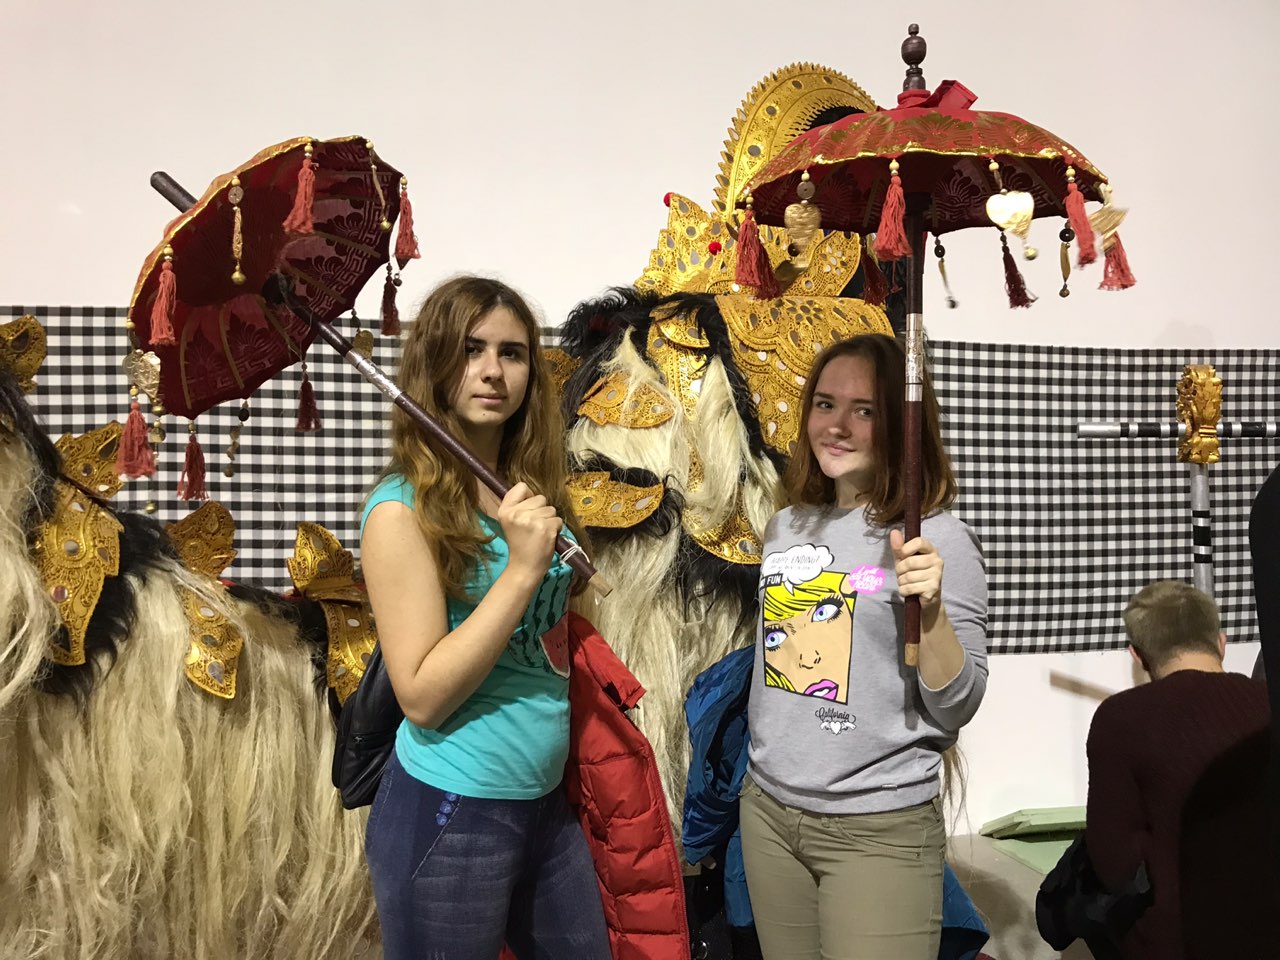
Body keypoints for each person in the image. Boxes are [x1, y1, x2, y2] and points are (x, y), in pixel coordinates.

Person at [359, 275, 610, 959]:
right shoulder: (399, 511)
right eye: (472, 349)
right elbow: (421, 695)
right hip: (451, 805)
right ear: (436, 362)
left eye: (512, 352)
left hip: (544, 801)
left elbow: (541, 643)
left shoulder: (528, 494)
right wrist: (523, 571)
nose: (493, 371)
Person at [741, 334, 989, 960]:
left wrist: (932, 611)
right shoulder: (786, 526)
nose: (837, 426)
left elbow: (958, 705)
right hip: (769, 813)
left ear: (903, 425)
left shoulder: (936, 538)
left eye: (865, 410)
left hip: (877, 828)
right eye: (825, 404)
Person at [1081, 580, 1274, 958]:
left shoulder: (1120, 718)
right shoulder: (1267, 703)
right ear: (1221, 642)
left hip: (1176, 939)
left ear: (1137, 655)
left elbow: (1114, 864)